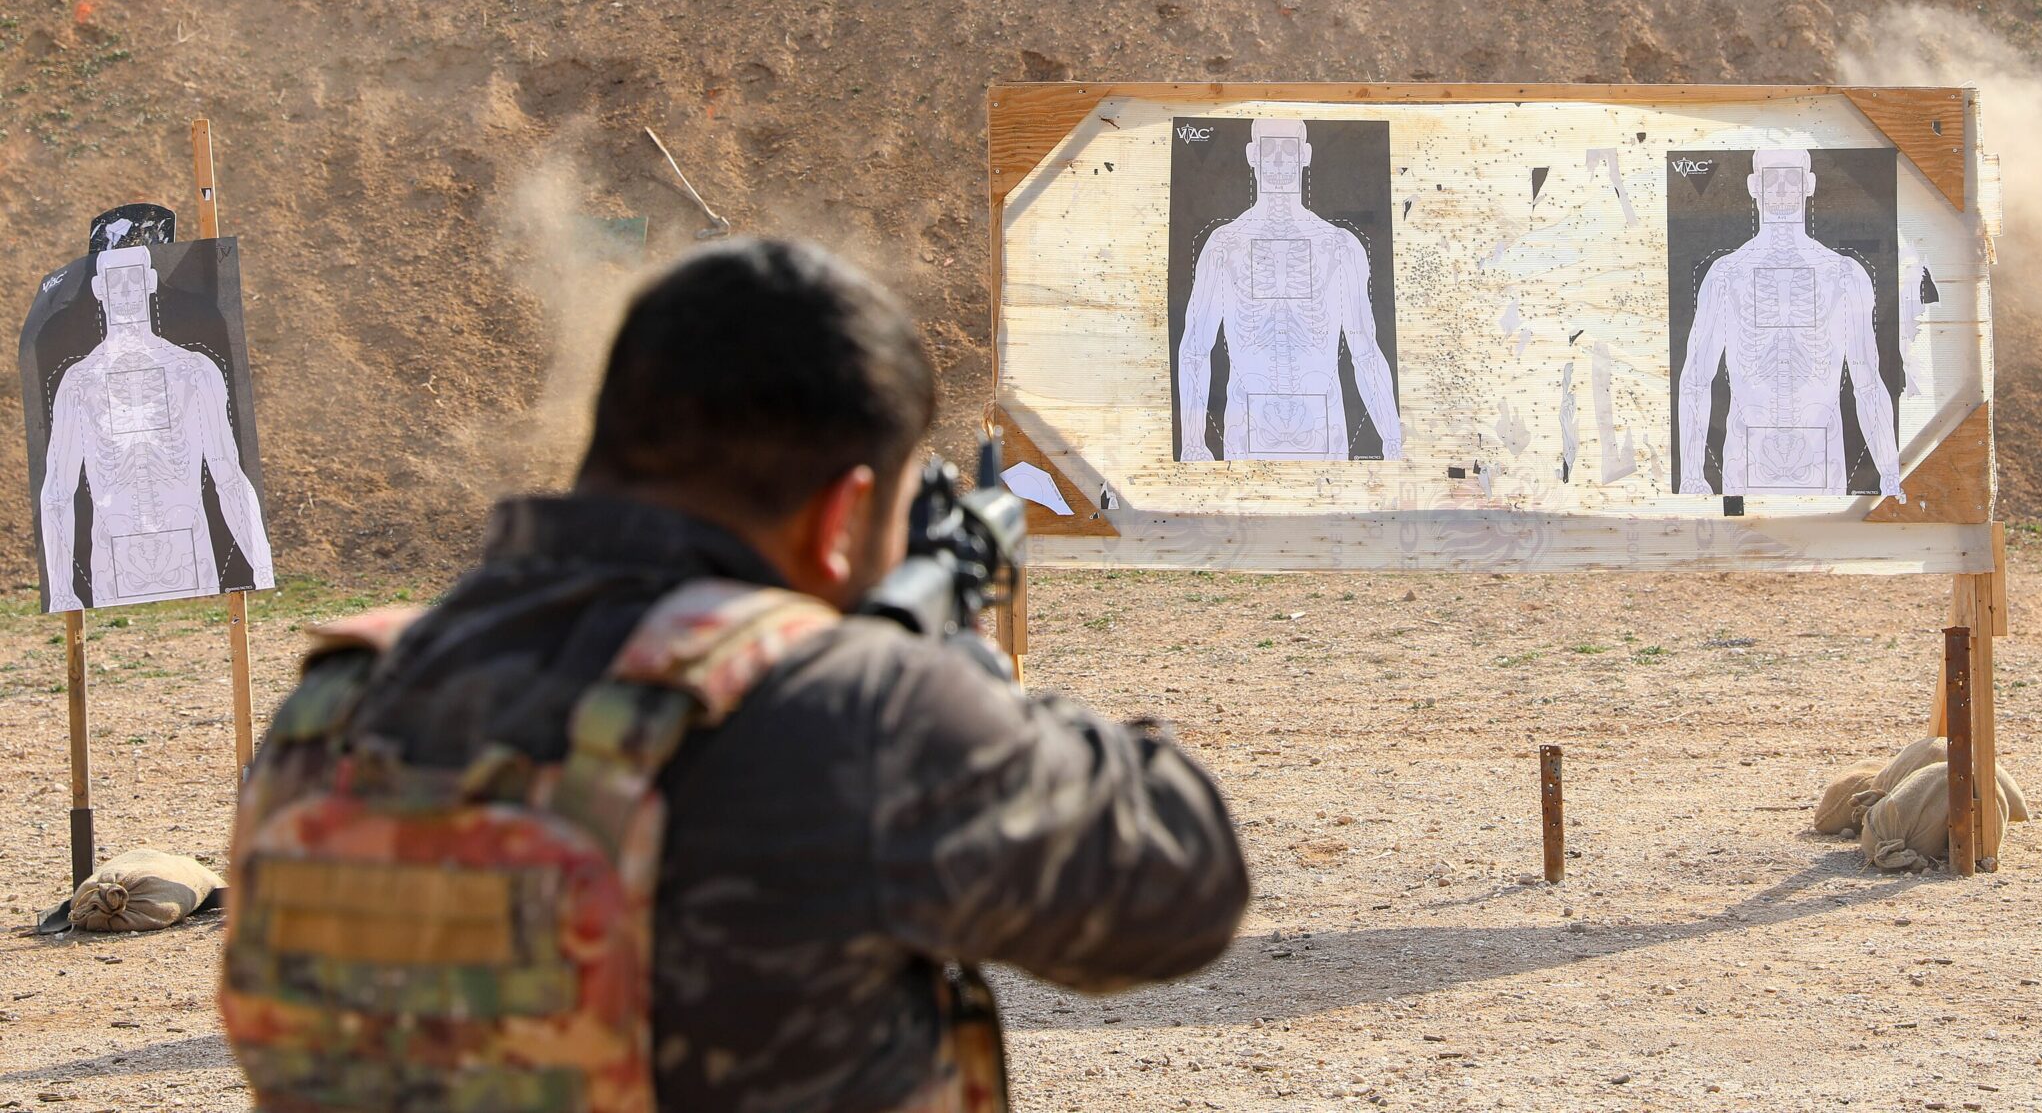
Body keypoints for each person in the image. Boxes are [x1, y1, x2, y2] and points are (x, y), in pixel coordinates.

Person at [223, 239, 1249, 1112]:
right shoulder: (857, 716)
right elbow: (1180, 887)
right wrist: (950, 660)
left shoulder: (343, 701)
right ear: (841, 517)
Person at [39, 243, 273, 610]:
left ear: (149, 282)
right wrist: (61, 591)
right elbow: (56, 492)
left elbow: (229, 476)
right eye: (117, 282)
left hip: (191, 553)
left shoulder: (194, 372)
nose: (127, 292)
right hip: (113, 563)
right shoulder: (80, 382)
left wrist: (261, 564)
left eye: (135, 279)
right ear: (100, 290)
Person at [1677, 149, 1905, 501]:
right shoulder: (1727, 276)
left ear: (1809, 184)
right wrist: (1691, 475)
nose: (1782, 188)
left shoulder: (1844, 276)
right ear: (1754, 186)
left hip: (1822, 465)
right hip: (1745, 466)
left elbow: (1868, 384)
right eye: (1771, 178)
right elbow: (1695, 379)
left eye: (1792, 177)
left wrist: (1890, 472)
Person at [1177, 117, 1403, 461]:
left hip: (1323, 436)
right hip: (1247, 434)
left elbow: (1366, 353)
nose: (1280, 159)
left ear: (1305, 154)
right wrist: (1192, 442)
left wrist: (1393, 441)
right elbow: (1194, 349)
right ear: (1253, 154)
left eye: (1289, 148)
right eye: (1270, 148)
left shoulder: (1339, 247)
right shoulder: (1224, 246)